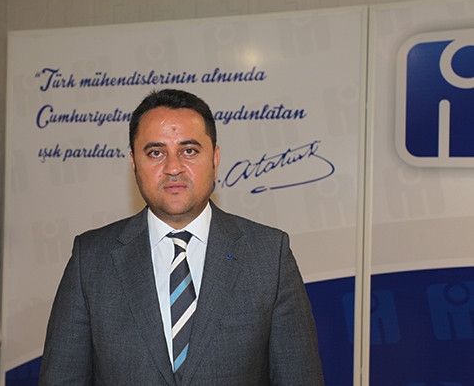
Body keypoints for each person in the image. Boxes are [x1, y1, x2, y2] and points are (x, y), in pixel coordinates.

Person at [39, 89, 324, 385]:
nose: (173, 168)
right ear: (134, 163)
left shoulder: (269, 257)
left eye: (189, 151)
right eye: (156, 153)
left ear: (215, 159)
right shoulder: (90, 260)